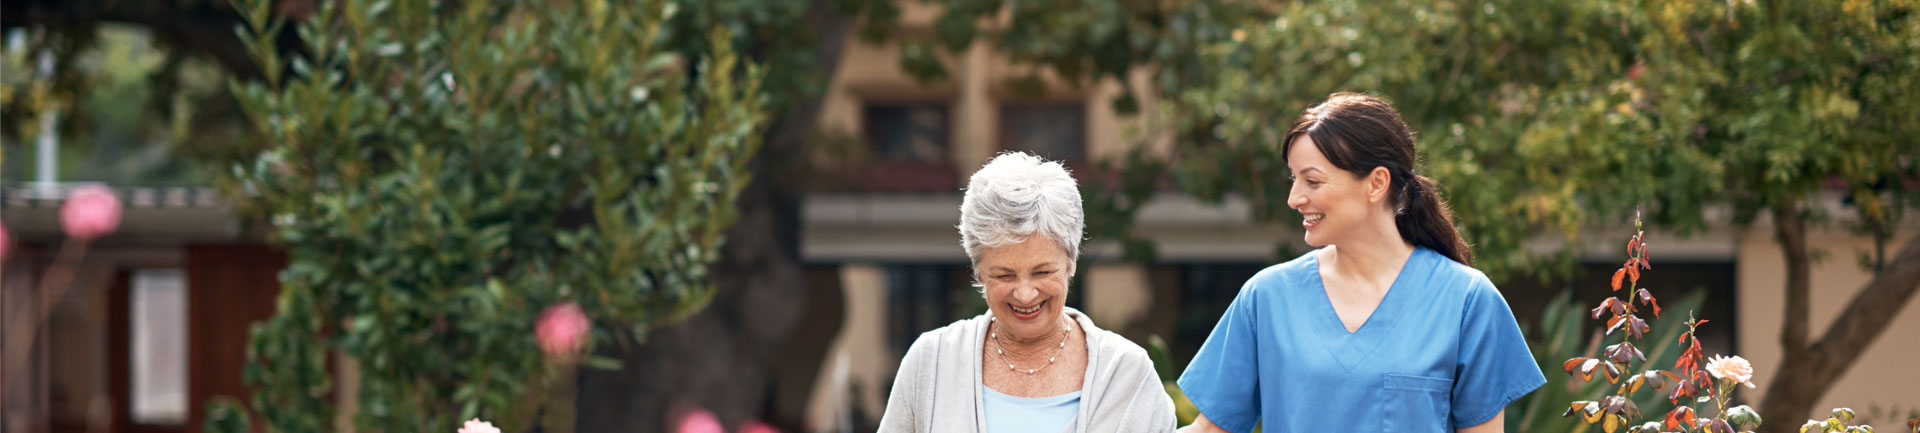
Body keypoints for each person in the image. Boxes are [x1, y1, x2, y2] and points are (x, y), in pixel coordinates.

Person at [1177, 93, 1545, 433]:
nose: (1294, 198)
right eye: (1294, 179)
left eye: (1312, 181)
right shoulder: (1267, 297)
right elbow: (1210, 430)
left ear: (1376, 183)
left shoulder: (1466, 299)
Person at [879, 152, 1177, 433]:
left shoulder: (1127, 373)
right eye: (1004, 275)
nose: (1024, 294)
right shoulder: (931, 361)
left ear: (1071, 262)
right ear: (979, 271)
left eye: (1043, 272)